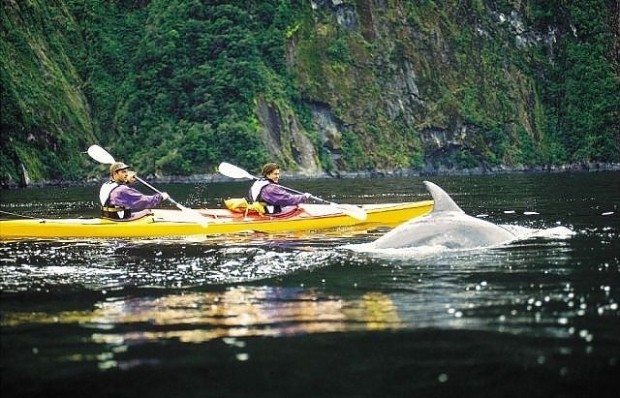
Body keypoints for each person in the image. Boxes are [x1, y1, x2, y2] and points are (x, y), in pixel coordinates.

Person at [99, 162, 170, 220]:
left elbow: (117, 190)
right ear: (115, 174)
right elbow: (144, 201)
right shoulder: (122, 190)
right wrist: (160, 197)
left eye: (126, 172)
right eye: (123, 172)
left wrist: (127, 181)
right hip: (121, 220)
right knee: (148, 211)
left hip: (109, 218)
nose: (126, 174)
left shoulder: (106, 185)